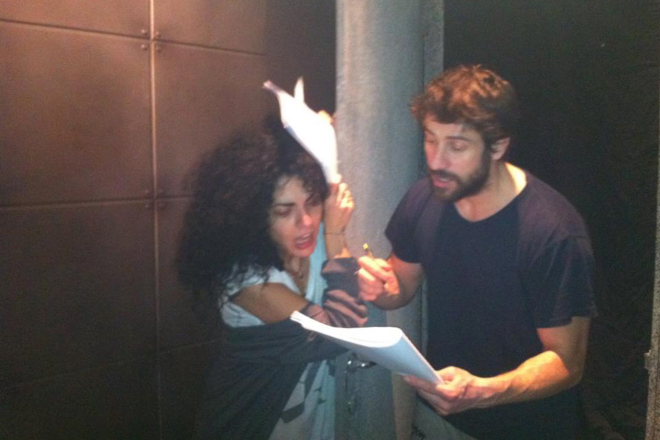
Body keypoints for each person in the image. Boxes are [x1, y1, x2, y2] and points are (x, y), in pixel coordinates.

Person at [357, 65, 597, 440]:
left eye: (457, 146)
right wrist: (382, 287)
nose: (437, 160)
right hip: (440, 417)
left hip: (528, 427)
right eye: (431, 139)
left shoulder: (553, 232)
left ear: (497, 146)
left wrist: (485, 392)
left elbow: (567, 362)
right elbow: (401, 284)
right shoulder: (425, 197)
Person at [177, 117, 367, 440]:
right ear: (255, 215)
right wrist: (337, 237)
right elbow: (340, 333)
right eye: (284, 211)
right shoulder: (245, 279)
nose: (306, 222)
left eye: (312, 203)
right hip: (248, 427)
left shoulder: (316, 241)